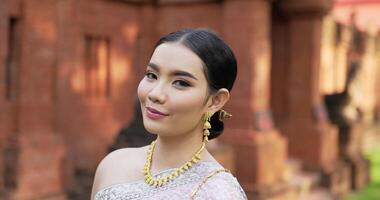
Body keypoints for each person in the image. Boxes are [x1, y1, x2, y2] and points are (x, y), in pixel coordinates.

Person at [91, 28, 247, 200]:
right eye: (152, 75)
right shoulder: (113, 164)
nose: (155, 94)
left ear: (215, 100)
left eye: (180, 82)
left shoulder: (219, 193)